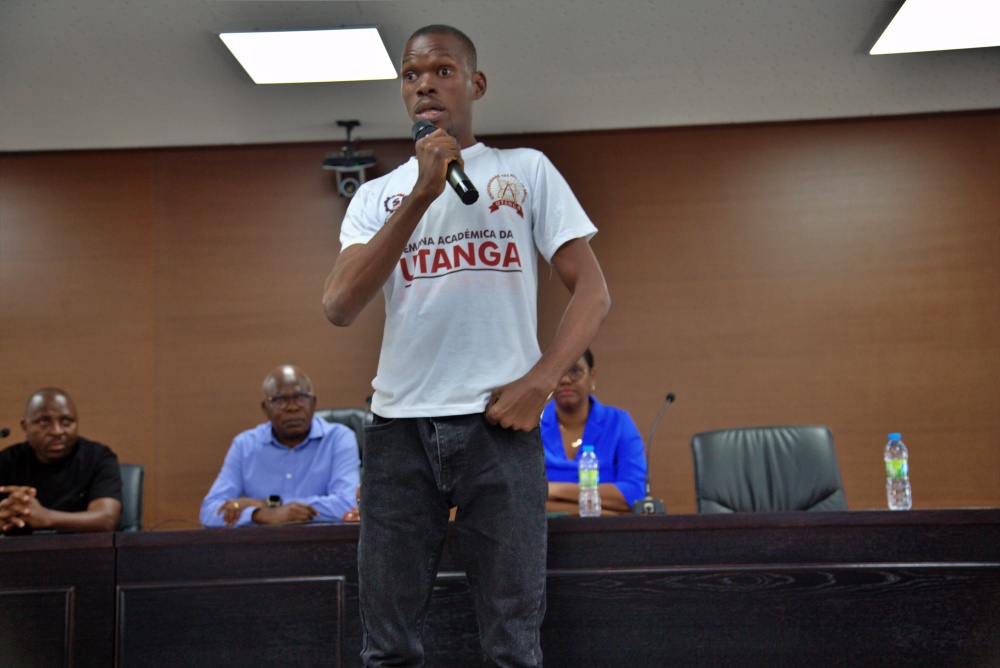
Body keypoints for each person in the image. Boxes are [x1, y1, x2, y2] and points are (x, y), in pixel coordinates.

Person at [322, 24, 611, 667]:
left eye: (442, 71)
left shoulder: (525, 170)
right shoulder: (375, 195)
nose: (424, 84)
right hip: (399, 433)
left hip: (498, 430)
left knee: (512, 643)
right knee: (387, 645)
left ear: (476, 84)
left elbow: (593, 294)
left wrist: (540, 382)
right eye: (411, 74)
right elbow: (339, 305)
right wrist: (422, 192)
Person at [199, 365, 360, 528]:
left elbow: (348, 504)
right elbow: (209, 511)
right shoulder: (244, 445)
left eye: (301, 397)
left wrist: (268, 505)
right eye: (280, 400)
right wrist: (259, 514)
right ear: (265, 408)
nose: (292, 407)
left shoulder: (338, 438)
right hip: (265, 543)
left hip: (323, 541)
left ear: (313, 402)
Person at [0, 388, 122, 534]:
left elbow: (106, 520)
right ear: (25, 426)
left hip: (80, 547)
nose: (57, 431)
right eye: (44, 421)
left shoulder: (98, 457)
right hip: (21, 548)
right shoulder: (7, 460)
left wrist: (45, 517)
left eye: (66, 421)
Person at [541, 349, 647, 515]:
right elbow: (524, 499)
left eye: (575, 371)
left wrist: (553, 489)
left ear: (592, 377)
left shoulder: (618, 422)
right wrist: (602, 512)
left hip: (605, 530)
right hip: (547, 530)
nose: (565, 380)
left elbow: (634, 493)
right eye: (557, 372)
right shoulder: (532, 426)